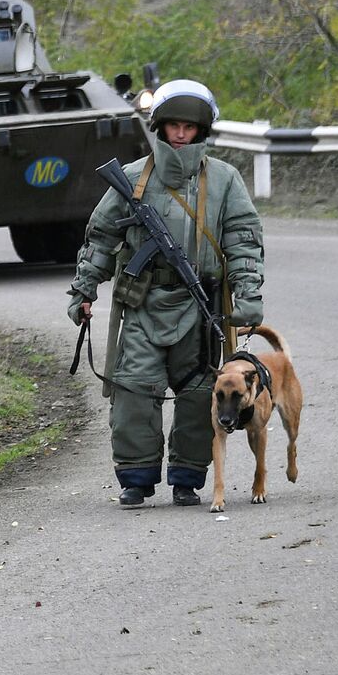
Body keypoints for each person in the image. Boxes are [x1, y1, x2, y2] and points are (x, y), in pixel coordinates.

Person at [68, 79, 265, 508]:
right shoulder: (134, 179)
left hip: (201, 306)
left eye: (189, 127)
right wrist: (85, 290)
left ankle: (187, 478)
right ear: (159, 126)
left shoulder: (225, 180)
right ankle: (136, 478)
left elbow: (244, 242)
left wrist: (248, 301)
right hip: (140, 302)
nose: (180, 134)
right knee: (134, 389)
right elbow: (100, 237)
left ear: (202, 131)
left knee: (199, 392)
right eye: (173, 125)